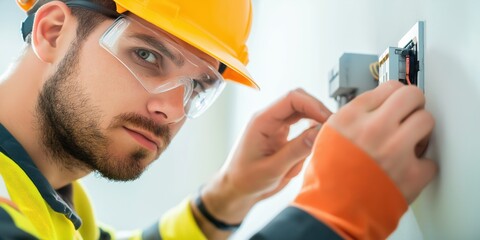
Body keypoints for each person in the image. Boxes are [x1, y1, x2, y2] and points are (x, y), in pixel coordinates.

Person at [0, 0, 437, 239]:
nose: (171, 110)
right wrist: (332, 221)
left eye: (198, 86)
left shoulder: (49, 201)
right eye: (147, 55)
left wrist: (228, 196)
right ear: (53, 31)